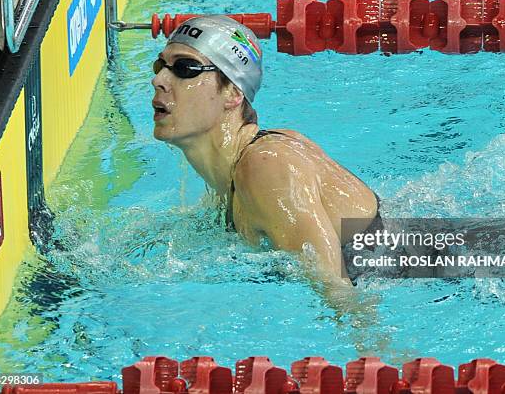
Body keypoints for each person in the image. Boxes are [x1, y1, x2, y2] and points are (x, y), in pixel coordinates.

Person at [151, 15, 385, 285]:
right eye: (160, 65)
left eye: (184, 68)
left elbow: (342, 296)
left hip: (423, 273)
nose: (159, 79)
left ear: (233, 93)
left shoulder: (267, 166)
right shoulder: (228, 180)